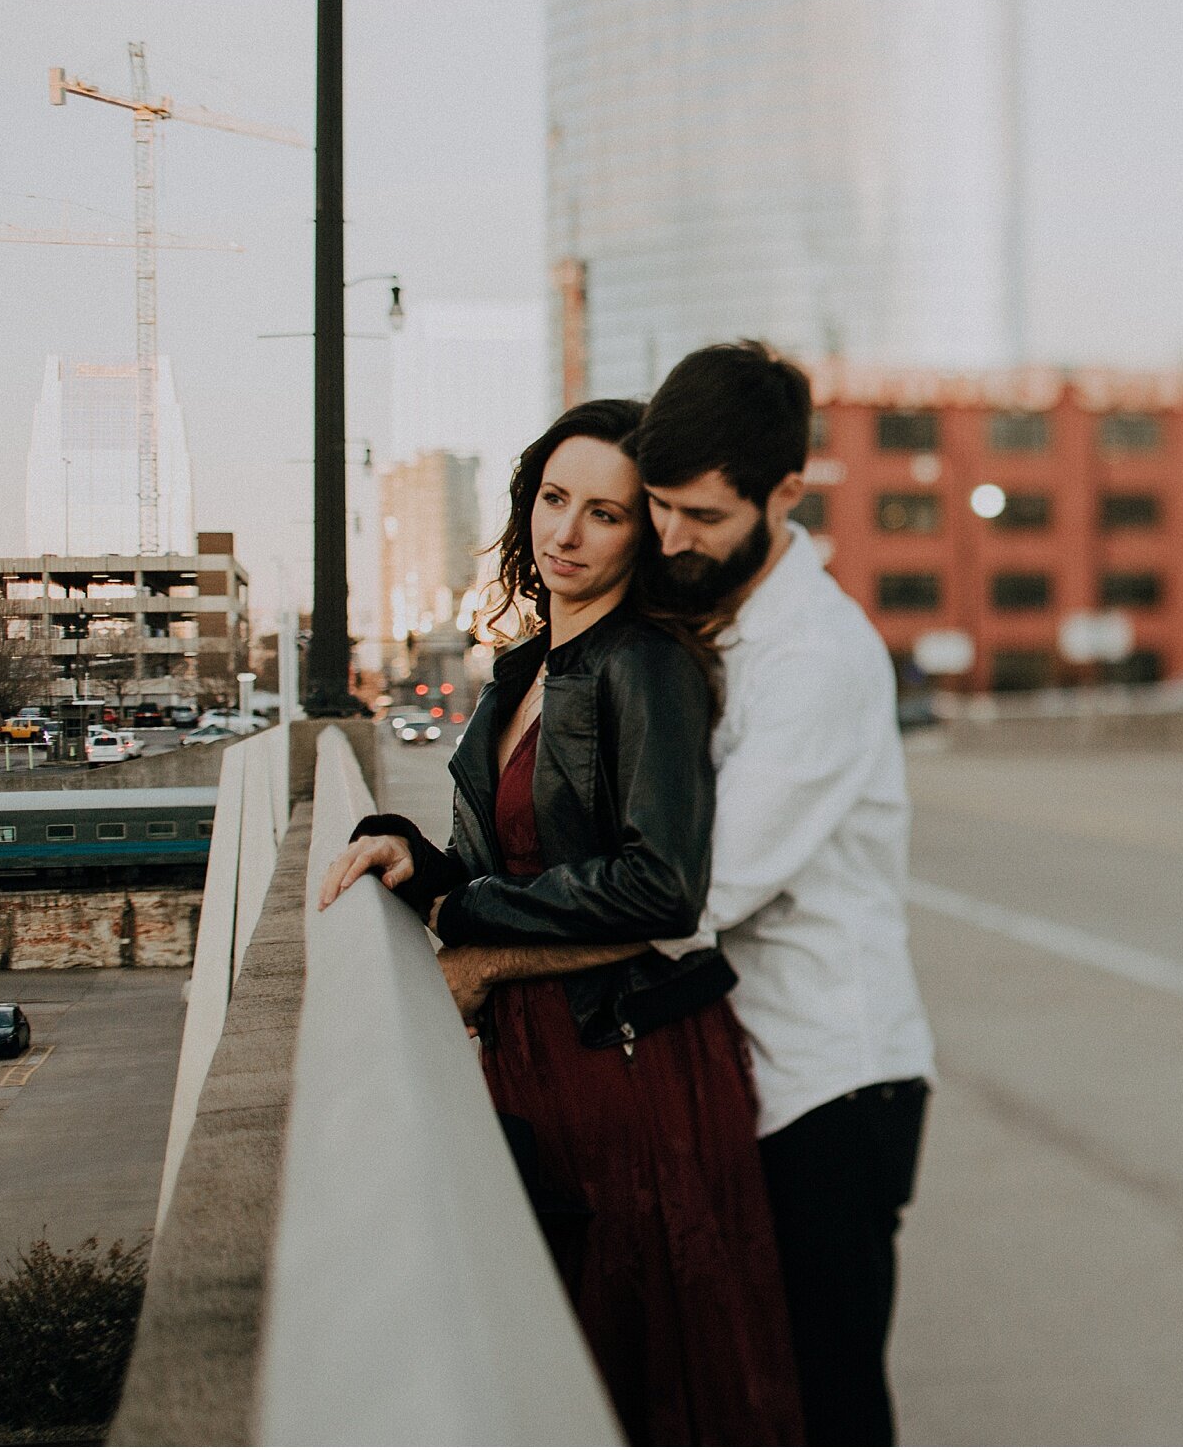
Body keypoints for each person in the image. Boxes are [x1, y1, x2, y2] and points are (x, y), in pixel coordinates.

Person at [314, 398, 804, 1447]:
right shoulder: (523, 672)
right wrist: (418, 855)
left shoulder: (647, 666)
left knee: (645, 1361)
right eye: (552, 499)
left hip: (631, 1063)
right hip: (542, 1053)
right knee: (562, 1337)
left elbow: (661, 885)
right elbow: (523, 854)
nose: (566, 533)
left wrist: (463, 913)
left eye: (605, 513)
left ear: (648, 535)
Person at [634, 341, 938, 1447]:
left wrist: (482, 930)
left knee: (825, 1405)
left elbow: (692, 894)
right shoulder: (719, 617)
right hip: (758, 1074)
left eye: (703, 516)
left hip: (832, 1087)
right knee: (753, 1394)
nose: (672, 538)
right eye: (658, 507)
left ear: (786, 495)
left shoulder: (814, 654)